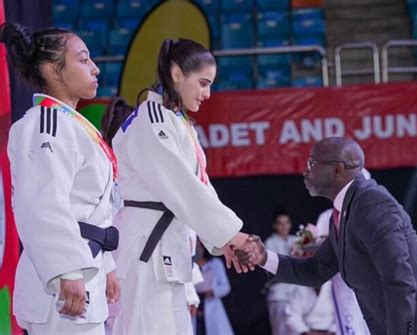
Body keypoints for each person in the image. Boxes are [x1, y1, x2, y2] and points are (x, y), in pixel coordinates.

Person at [236, 137, 417, 335]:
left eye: (312, 163)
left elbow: (399, 278)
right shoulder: (342, 213)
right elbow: (316, 271)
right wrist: (264, 258)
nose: (305, 171)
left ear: (338, 169)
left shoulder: (371, 203)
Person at [101, 39, 250, 334]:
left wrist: (223, 239)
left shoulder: (176, 121)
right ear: (177, 74)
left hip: (169, 246)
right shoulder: (151, 119)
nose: (208, 94)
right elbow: (182, 186)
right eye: (203, 83)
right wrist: (232, 234)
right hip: (146, 249)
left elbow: (200, 185)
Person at [2, 22, 120, 334]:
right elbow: (43, 205)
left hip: (82, 273)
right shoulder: (45, 125)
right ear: (53, 70)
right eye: (83, 60)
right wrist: (66, 271)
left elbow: (91, 210)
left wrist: (105, 266)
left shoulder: (72, 126)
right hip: (61, 284)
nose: (95, 69)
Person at [264, 210, 299, 335]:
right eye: (280, 223)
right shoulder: (269, 243)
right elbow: (273, 268)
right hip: (279, 295)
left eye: (287, 222)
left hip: (298, 295)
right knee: (280, 331)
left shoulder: (297, 240)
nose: (284, 226)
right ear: (275, 225)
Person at [194, 240, 234, 335]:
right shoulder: (190, 267)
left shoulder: (215, 264)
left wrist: (213, 292)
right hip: (195, 307)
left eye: (198, 247)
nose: (196, 250)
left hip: (210, 304)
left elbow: (225, 286)